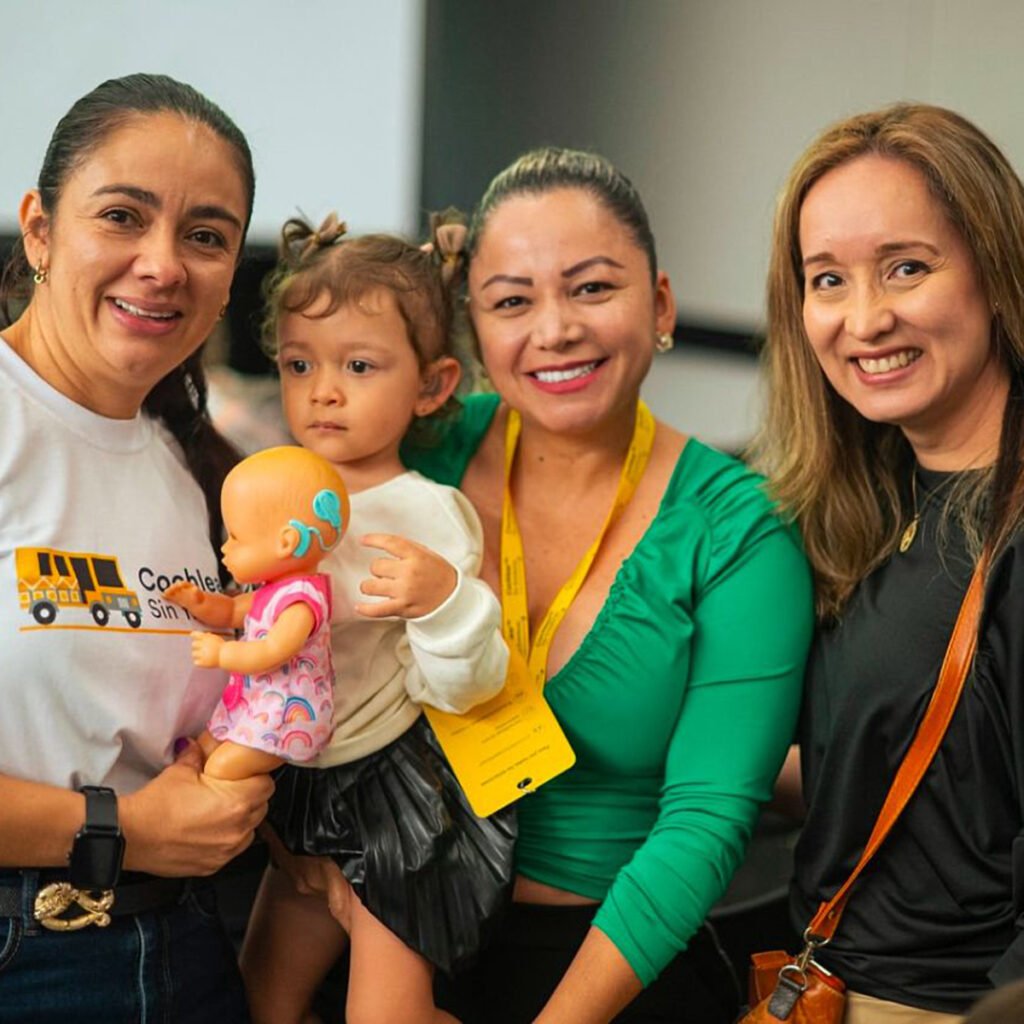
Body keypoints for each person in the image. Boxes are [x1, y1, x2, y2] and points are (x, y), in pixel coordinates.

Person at [399, 147, 814, 1024]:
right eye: (512, 301)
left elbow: (702, 826)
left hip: (607, 972)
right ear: (475, 329)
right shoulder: (413, 455)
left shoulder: (737, 530)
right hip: (390, 946)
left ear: (660, 305)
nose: (555, 330)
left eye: (592, 288)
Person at [0, 73, 274, 1022]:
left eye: (205, 236)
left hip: (187, 951)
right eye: (123, 216)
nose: (162, 264)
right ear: (40, 230)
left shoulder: (203, 468)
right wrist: (117, 831)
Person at [753, 103, 1024, 1022]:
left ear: (994, 268)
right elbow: (892, 775)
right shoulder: (858, 505)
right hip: (819, 990)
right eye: (828, 279)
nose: (865, 319)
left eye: (907, 267)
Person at [237, 214, 515, 1024]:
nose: (323, 390)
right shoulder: (267, 485)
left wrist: (445, 603)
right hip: (298, 785)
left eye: (359, 365)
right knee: (259, 998)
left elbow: (468, 686)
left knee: (385, 1015)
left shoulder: (428, 515)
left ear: (431, 386)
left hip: (392, 795)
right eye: (299, 364)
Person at [165, 446, 349, 777]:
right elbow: (232, 611)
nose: (225, 548)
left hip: (287, 717)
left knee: (221, 769)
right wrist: (199, 601)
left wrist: (222, 653)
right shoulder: (272, 589)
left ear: (285, 542)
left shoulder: (300, 602)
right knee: (205, 748)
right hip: (256, 705)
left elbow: (272, 651)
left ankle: (207, 801)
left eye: (236, 538)